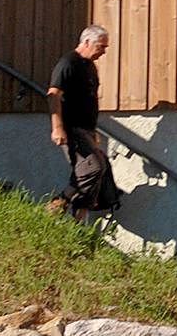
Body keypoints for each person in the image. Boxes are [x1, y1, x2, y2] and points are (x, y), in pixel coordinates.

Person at [48, 24, 119, 219]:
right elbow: (53, 95)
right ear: (87, 42)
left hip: (86, 128)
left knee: (98, 168)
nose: (103, 52)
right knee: (92, 167)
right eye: (101, 47)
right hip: (71, 127)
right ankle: (56, 206)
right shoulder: (68, 63)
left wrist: (93, 131)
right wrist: (58, 127)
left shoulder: (89, 66)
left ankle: (79, 219)